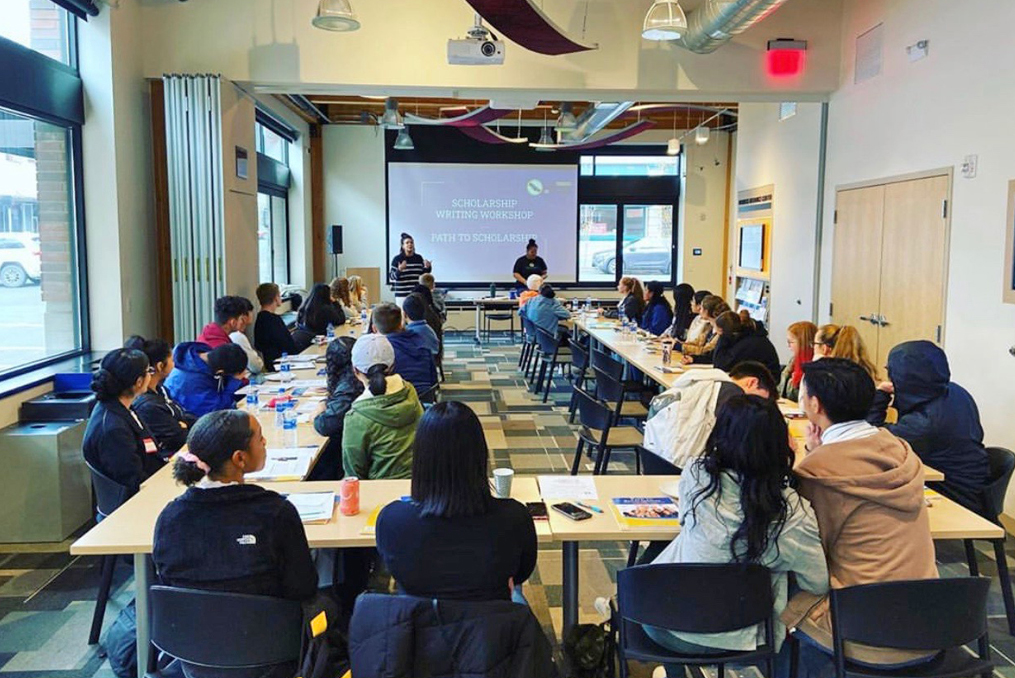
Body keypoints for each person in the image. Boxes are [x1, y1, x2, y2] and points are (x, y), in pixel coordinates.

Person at [645, 396, 827, 669]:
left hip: (662, 621)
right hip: (739, 638)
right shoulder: (793, 515)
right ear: (781, 444)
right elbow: (818, 582)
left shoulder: (696, 478)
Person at [784, 358, 937, 673]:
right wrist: (818, 452)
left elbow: (806, 551)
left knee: (771, 605)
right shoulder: (899, 451)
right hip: (932, 622)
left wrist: (814, 459)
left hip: (865, 634)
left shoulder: (819, 474)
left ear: (814, 404)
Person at [153, 410, 316, 678]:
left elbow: (171, 586)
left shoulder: (169, 518)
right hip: (270, 651)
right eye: (261, 440)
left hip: (193, 655)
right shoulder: (275, 512)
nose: (265, 444)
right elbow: (302, 587)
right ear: (239, 458)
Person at [376, 401, 537, 602]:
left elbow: (394, 570)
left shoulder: (392, 520)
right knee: (517, 594)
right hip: (489, 627)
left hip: (420, 626)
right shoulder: (514, 517)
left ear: (420, 457)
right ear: (480, 453)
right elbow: (521, 572)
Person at [868, 340, 989, 513]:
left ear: (905, 377)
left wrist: (880, 395)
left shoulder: (923, 424)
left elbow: (873, 438)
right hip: (973, 483)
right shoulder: (955, 391)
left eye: (891, 371)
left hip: (952, 492)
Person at [643, 361, 778, 471]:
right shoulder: (732, 393)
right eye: (759, 399)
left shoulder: (702, 382)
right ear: (752, 382)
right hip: (684, 469)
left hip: (655, 458)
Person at [342, 333, 423, 480]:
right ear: (392, 365)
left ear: (355, 371)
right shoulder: (410, 391)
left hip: (378, 491)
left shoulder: (356, 416)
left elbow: (354, 473)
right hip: (420, 482)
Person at [83, 348, 163, 494]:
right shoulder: (114, 429)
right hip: (135, 501)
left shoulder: (119, 408)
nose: (151, 375)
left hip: (152, 482)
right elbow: (134, 480)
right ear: (139, 382)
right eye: (148, 371)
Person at [125, 335, 196, 457]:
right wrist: (180, 425)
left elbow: (182, 416)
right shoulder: (147, 405)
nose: (174, 364)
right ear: (160, 366)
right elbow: (179, 437)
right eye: (172, 360)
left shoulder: (160, 389)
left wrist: (185, 423)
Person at [312, 336, 364, 480]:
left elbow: (326, 425)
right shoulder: (355, 379)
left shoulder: (349, 387)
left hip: (343, 455)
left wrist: (318, 414)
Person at [164, 342, 248, 418]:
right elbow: (215, 412)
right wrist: (234, 382)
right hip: (188, 419)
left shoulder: (209, 358)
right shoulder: (192, 382)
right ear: (220, 372)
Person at [371, 302, 437, 395]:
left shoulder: (380, 353)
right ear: (401, 323)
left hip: (398, 402)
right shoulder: (422, 341)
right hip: (425, 399)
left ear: (374, 329)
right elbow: (434, 380)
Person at [690, 310, 780, 378]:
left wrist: (722, 337)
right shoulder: (741, 336)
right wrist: (694, 359)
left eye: (719, 332)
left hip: (766, 383)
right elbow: (716, 357)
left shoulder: (749, 343)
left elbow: (720, 364)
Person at [254, 282, 297, 371]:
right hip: (283, 364)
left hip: (272, 363)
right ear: (275, 298)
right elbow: (288, 345)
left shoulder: (260, 318)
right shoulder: (273, 320)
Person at [777, 321, 817, 401]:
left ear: (803, 342)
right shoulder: (793, 360)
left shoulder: (814, 364)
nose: (788, 346)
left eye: (791, 342)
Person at [389, 232, 432, 302]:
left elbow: (422, 275)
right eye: (407, 243)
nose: (410, 244)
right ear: (403, 246)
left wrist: (428, 268)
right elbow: (391, 277)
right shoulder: (397, 259)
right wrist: (399, 270)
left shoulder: (418, 258)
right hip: (402, 295)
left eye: (411, 242)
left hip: (416, 294)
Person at [228, 296, 264, 375]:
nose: (244, 329)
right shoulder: (237, 336)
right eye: (244, 324)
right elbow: (256, 366)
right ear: (241, 318)